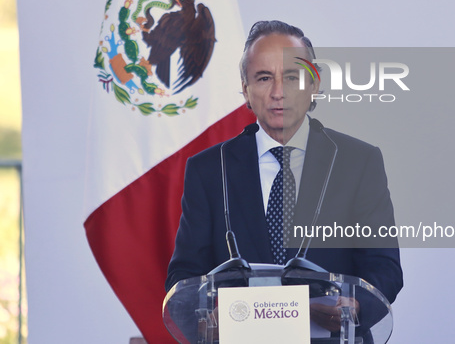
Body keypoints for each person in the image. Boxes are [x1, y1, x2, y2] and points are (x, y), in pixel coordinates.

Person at [166, 20, 403, 333]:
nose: (279, 92)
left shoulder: (359, 162)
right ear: (246, 89)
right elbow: (184, 275)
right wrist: (208, 308)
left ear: (314, 84)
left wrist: (355, 306)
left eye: (292, 77)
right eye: (264, 78)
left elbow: (384, 267)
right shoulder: (209, 169)